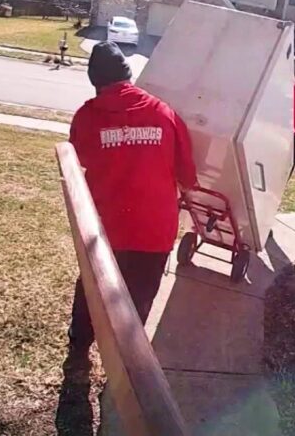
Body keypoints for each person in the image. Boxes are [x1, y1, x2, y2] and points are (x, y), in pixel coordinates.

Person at [66, 41, 197, 361]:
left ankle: (79, 349)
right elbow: (188, 175)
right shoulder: (164, 113)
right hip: (154, 230)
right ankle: (130, 360)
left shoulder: (86, 116)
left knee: (93, 288)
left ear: (96, 81)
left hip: (105, 227)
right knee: (140, 297)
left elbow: (78, 157)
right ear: (128, 75)